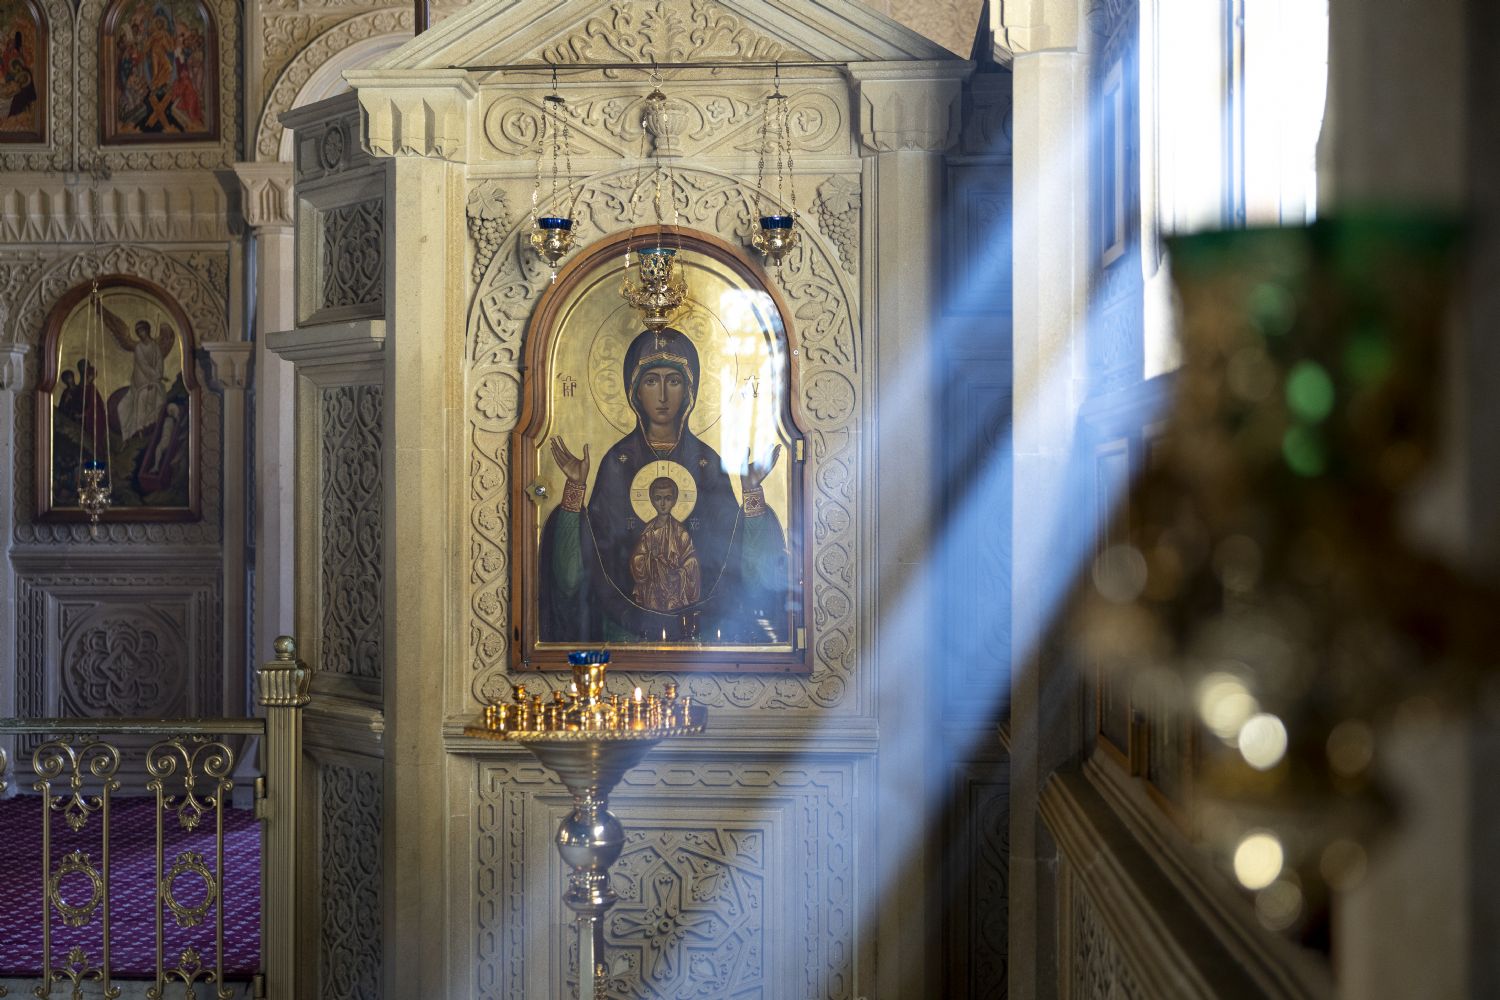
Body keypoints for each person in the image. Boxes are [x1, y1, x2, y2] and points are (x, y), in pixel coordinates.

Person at [539, 327, 789, 643]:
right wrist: (574, 491)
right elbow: (572, 577)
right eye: (650, 381)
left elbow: (753, 575)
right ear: (634, 391)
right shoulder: (617, 463)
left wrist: (752, 492)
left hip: (705, 634)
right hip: (623, 631)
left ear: (689, 390)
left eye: (673, 381)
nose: (662, 396)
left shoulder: (708, 462)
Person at [629, 477, 702, 613]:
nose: (662, 504)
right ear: (652, 500)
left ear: (674, 500)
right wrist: (650, 558)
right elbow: (637, 562)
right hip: (652, 592)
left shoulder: (681, 533)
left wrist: (678, 574)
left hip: (675, 592)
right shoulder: (647, 533)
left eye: (668, 498)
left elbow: (692, 562)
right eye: (658, 498)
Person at [101, 308, 174, 441]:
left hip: (154, 382)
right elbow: (144, 366)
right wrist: (154, 377)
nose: (141, 334)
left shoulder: (156, 347)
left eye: (142, 331)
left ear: (147, 330)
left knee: (152, 400)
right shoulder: (139, 348)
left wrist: (157, 377)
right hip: (140, 381)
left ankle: (144, 429)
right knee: (125, 406)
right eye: (138, 332)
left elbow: (159, 364)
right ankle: (135, 431)